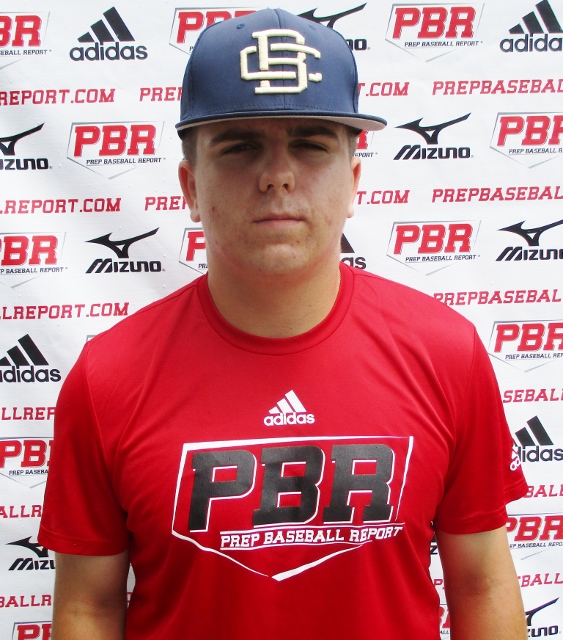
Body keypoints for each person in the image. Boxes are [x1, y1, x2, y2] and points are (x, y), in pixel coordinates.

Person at [39, 8, 528, 639]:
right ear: (189, 186)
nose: (277, 176)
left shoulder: (446, 353)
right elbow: (88, 606)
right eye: (240, 146)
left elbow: (482, 584)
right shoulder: (107, 378)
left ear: (354, 180)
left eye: (310, 144)